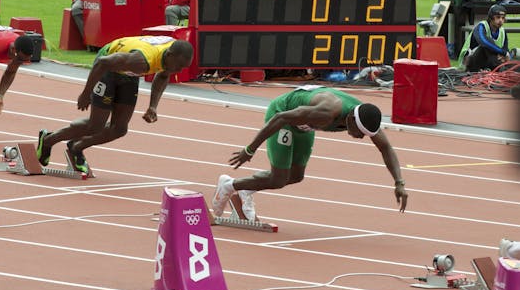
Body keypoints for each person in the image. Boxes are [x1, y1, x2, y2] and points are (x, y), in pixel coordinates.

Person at [212, 86, 408, 220]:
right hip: (283, 116)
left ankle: (246, 190)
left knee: (297, 176)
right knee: (279, 178)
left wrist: (399, 182)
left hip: (305, 126)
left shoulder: (364, 116)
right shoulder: (326, 112)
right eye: (360, 133)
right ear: (350, 118)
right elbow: (280, 117)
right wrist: (250, 149)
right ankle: (229, 186)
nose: (361, 137)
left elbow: (386, 148)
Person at [35, 36, 194, 172]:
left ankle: (76, 147)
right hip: (107, 67)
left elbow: (163, 75)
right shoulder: (141, 60)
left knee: (119, 129)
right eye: (179, 66)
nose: (179, 71)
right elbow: (103, 63)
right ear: (170, 55)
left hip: (128, 72)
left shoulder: (171, 56)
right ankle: (49, 139)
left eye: (184, 67)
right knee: (95, 125)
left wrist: (153, 106)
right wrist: (86, 93)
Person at [458, 4, 512, 71]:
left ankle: (503, 69)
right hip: (471, 62)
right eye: (498, 17)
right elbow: (484, 42)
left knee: (514, 54)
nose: (501, 20)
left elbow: (506, 50)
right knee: (487, 44)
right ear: (491, 18)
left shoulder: (502, 31)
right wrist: (502, 52)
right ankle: (501, 70)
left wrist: (504, 55)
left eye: (503, 18)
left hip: (490, 61)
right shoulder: (481, 26)